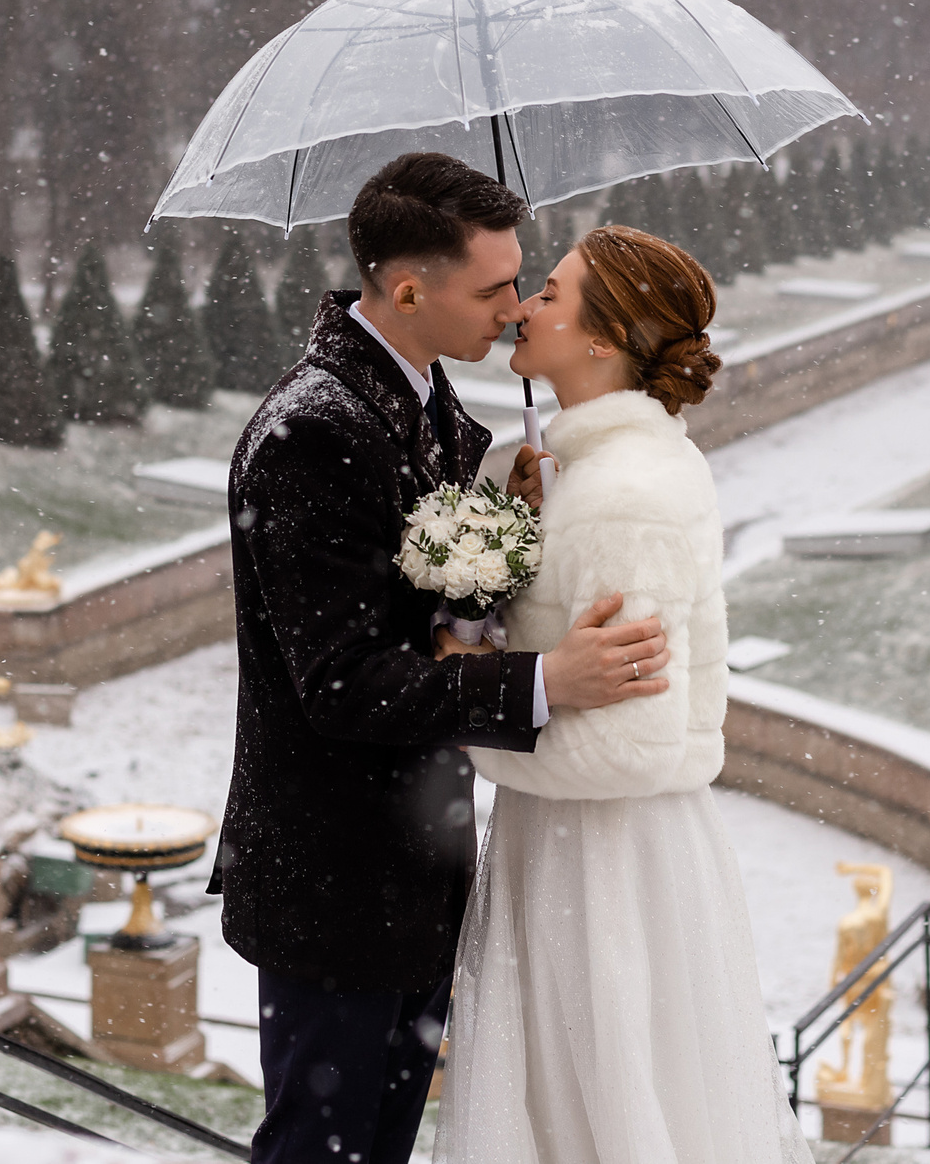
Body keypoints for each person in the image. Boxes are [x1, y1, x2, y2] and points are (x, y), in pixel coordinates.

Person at [217, 154, 673, 1164]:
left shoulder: (433, 409)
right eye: (495, 286)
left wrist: (511, 525)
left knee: (378, 1148)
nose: (516, 309)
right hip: (333, 880)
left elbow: (432, 615)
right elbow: (343, 684)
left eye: (522, 281)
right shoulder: (311, 433)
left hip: (418, 870)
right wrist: (549, 682)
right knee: (320, 1153)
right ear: (408, 287)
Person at [435, 224, 813, 1164]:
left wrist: (467, 716)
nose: (524, 304)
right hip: (581, 843)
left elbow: (628, 745)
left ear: (603, 340)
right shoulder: (595, 475)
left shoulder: (623, 496)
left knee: (602, 1111)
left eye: (551, 294)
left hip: (598, 860)